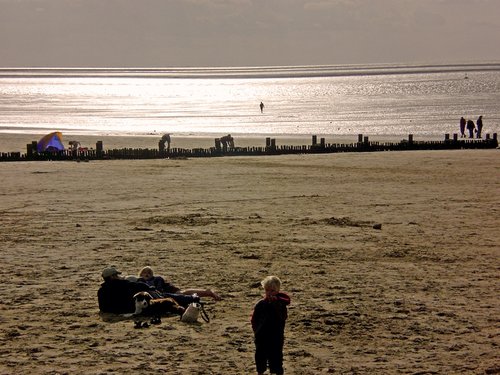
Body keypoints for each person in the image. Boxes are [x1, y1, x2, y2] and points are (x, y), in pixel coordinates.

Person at [251, 276, 291, 375]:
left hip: (276, 337)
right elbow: (254, 319)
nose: (269, 293)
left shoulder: (281, 304)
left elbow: (283, 317)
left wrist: (275, 304)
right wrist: (256, 331)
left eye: (272, 291)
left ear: (277, 291)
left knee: (276, 359)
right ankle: (260, 372)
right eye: (267, 290)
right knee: (260, 358)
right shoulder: (261, 304)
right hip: (261, 336)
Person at [137, 265, 221, 301]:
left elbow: (159, 290)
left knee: (183, 294)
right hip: (161, 294)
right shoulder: (139, 281)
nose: (146, 274)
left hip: (168, 291)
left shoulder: (157, 279)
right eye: (144, 272)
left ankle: (207, 292)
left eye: (149, 272)